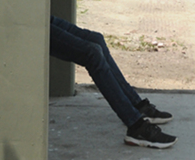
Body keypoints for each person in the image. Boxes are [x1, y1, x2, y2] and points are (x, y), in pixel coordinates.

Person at [49, 16, 176, 149]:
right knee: (92, 53)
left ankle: (137, 105)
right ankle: (136, 126)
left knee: (97, 39)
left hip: (41, 15)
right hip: (31, 23)